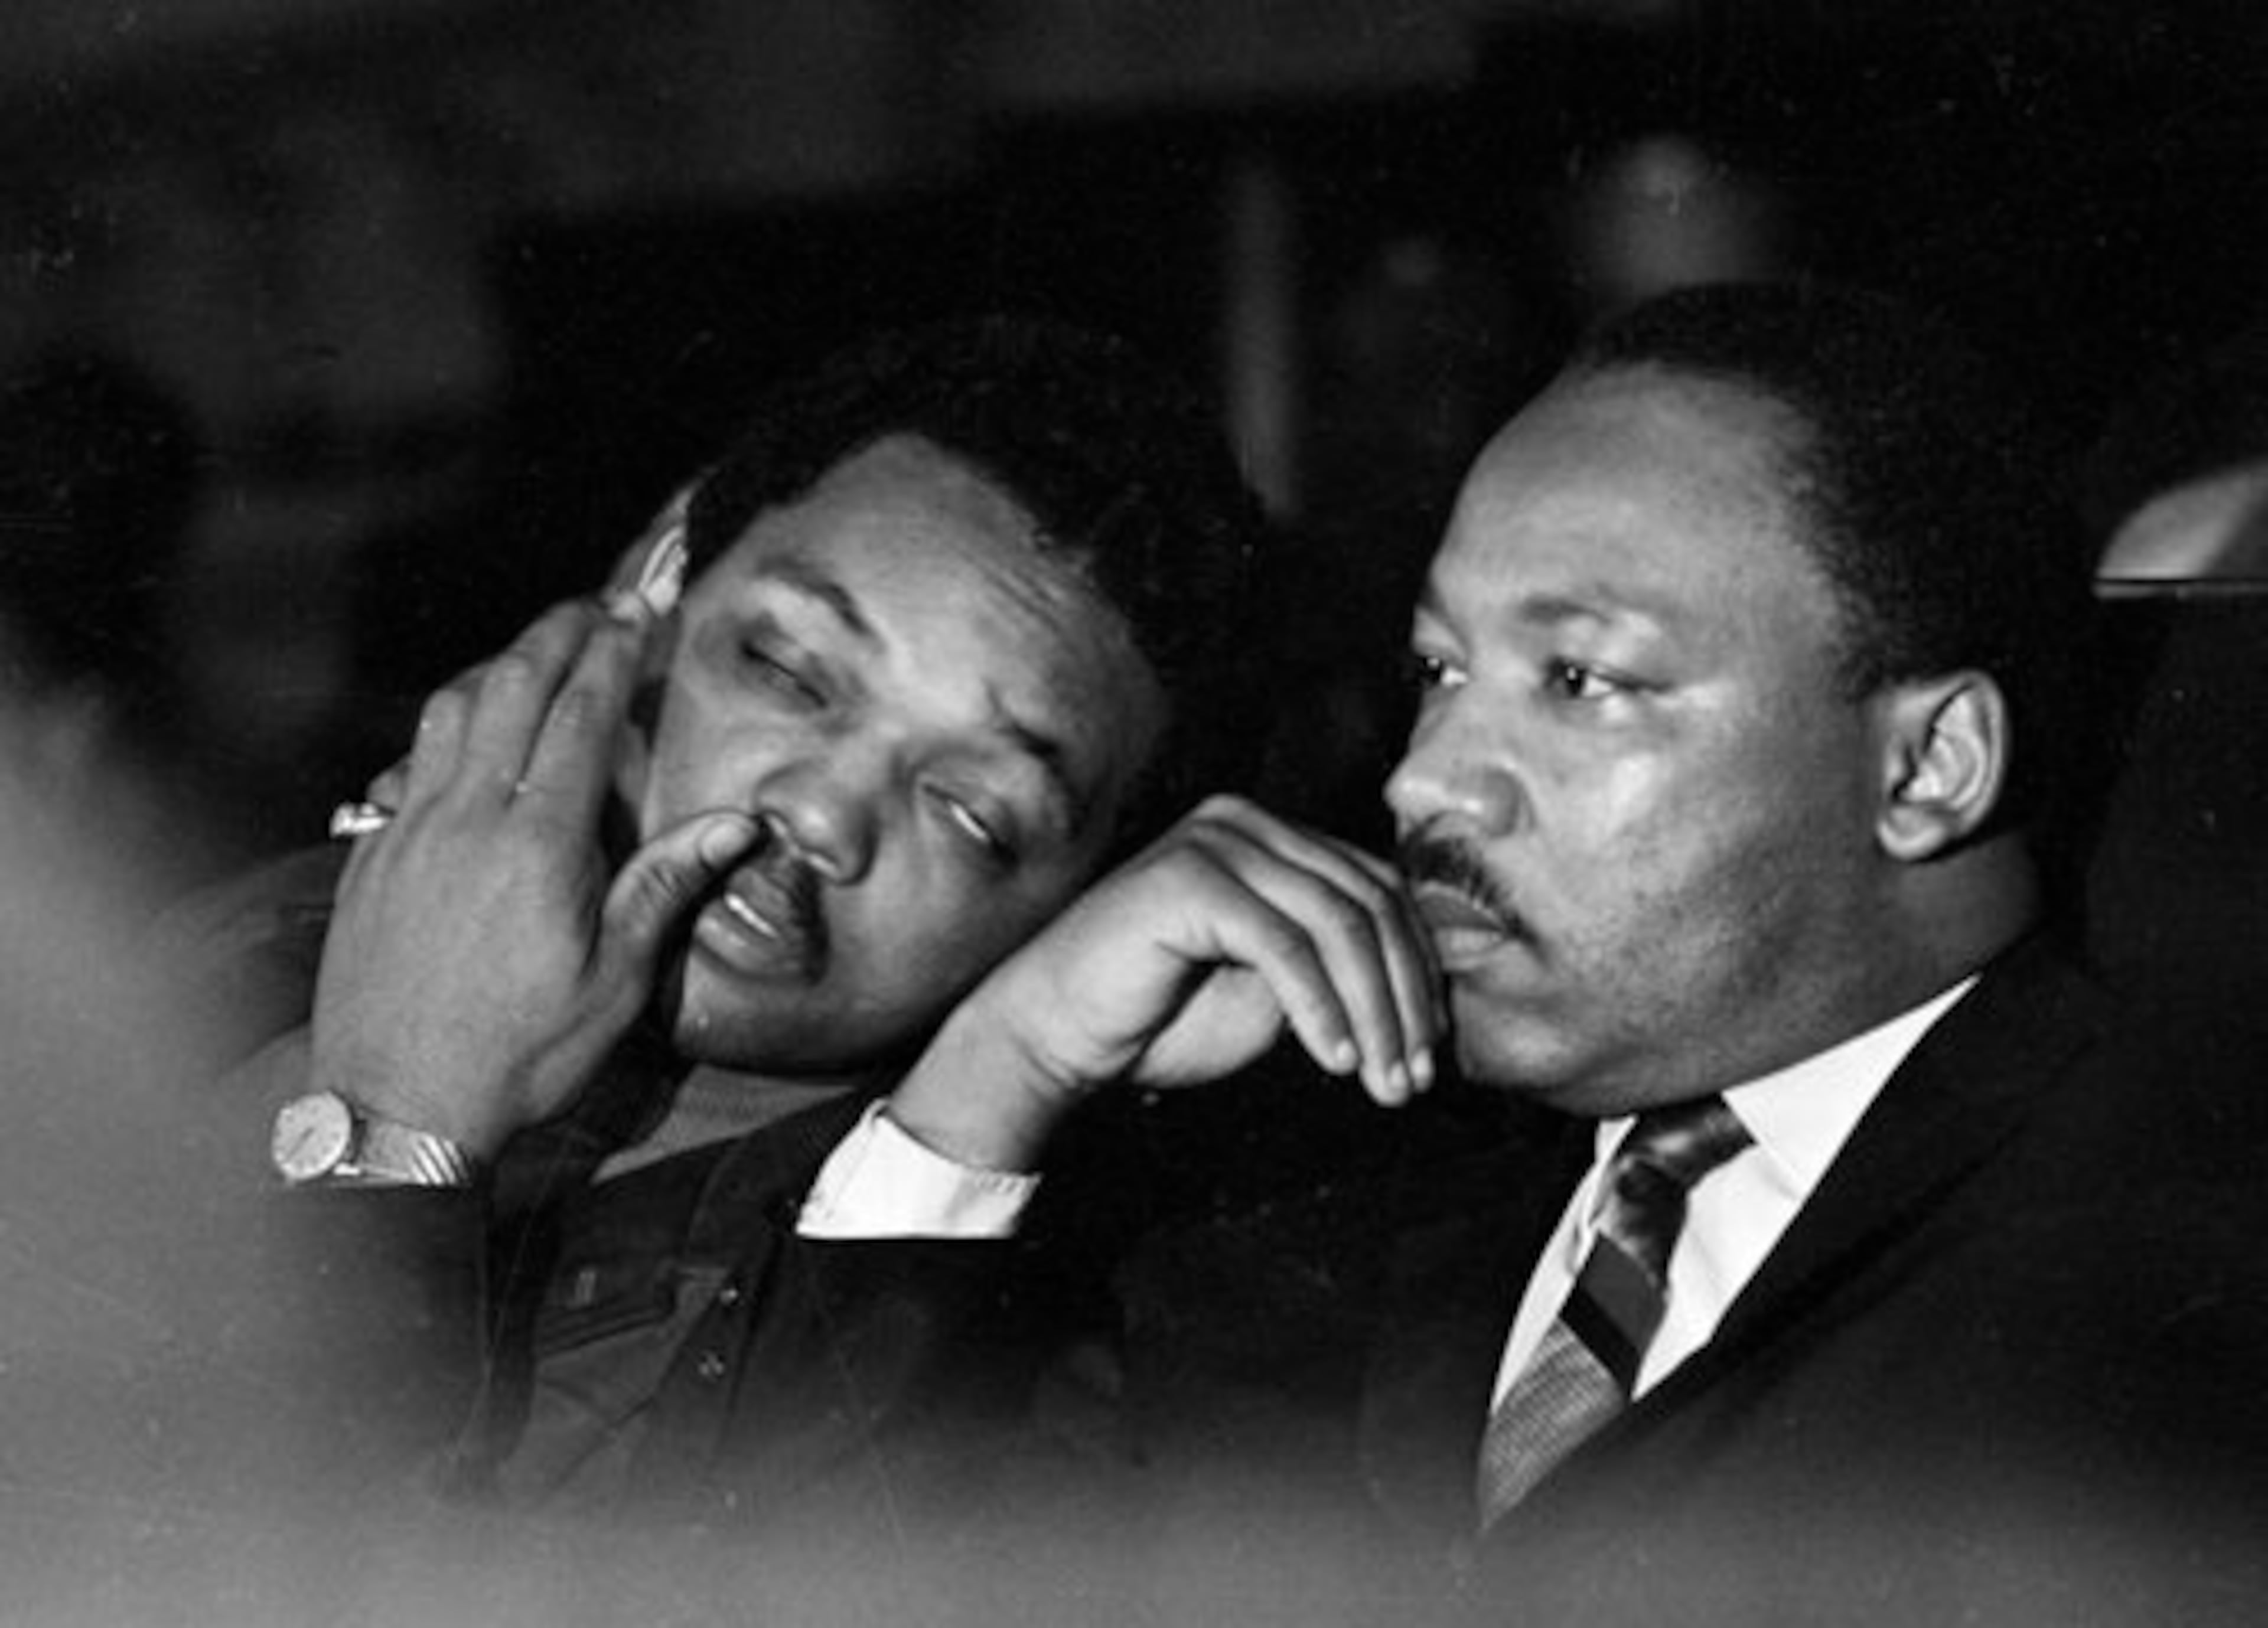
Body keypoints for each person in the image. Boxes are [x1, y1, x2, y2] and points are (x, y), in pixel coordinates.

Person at [856, 282, 2268, 1624]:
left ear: (1927, 769)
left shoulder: (2177, 1278)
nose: (1426, 781)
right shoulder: (1320, 1226)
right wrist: (1005, 1065)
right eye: (1440, 671)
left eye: (1582, 679)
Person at [167, 315, 1391, 1564]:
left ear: (1088, 901)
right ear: (662, 577)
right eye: (790, 672)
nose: (819, 811)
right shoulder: (254, 919)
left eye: (972, 812)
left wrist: (390, 1124)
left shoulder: (971, 1378)